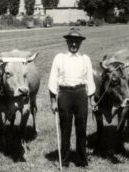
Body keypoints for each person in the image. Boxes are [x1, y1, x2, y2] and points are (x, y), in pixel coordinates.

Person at [48, 28, 96, 168]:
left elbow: (90, 80)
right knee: (65, 128)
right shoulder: (59, 58)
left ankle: (82, 160)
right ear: (67, 42)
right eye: (71, 42)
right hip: (65, 94)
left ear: (80, 43)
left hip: (81, 94)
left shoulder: (85, 59)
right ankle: (64, 160)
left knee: (81, 128)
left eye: (77, 42)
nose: (74, 45)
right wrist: (52, 101)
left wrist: (91, 99)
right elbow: (52, 80)